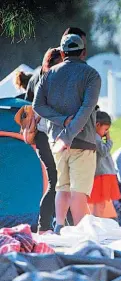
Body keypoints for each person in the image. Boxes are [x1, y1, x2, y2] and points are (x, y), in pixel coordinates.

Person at [33, 33, 101, 233]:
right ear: (84, 52)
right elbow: (87, 109)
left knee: (61, 188)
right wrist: (68, 134)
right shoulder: (91, 75)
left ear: (62, 53)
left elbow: (38, 106)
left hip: (56, 142)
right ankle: (80, 236)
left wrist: (61, 124)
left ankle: (59, 227)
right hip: (82, 142)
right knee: (78, 192)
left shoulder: (48, 74)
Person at [25, 48, 62, 233]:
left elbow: (25, 103)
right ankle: (45, 226)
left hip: (44, 136)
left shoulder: (36, 77)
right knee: (57, 180)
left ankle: (56, 224)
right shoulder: (49, 80)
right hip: (46, 134)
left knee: (59, 181)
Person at [88, 110, 121, 218]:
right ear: (97, 125)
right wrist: (109, 141)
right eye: (105, 129)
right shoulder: (96, 138)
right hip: (102, 174)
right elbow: (104, 151)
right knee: (99, 201)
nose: (106, 133)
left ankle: (98, 219)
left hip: (103, 173)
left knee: (101, 201)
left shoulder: (95, 138)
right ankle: (97, 219)